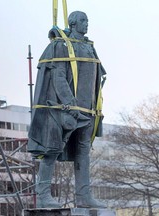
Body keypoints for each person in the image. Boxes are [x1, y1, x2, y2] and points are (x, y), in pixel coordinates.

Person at [28, 11, 107, 208]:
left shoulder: (89, 47)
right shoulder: (62, 45)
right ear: (72, 23)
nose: (86, 24)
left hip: (88, 111)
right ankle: (43, 195)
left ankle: (83, 196)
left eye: (87, 20)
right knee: (52, 150)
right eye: (82, 20)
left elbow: (97, 78)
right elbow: (59, 77)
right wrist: (70, 105)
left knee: (83, 152)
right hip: (66, 110)